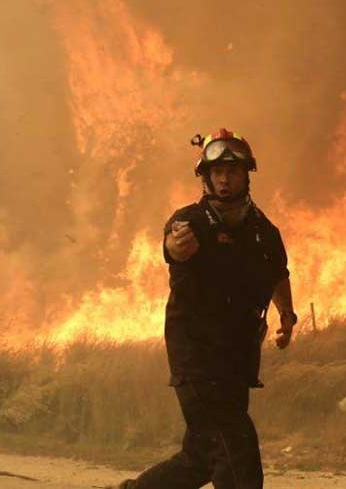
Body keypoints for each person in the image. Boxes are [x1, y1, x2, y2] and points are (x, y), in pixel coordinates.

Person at [114, 128, 297, 489]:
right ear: (207, 178)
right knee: (237, 453)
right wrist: (173, 245)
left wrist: (287, 315)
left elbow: (278, 272)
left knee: (199, 460)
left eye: (232, 172)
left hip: (235, 361)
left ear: (246, 176)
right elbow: (173, 246)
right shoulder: (190, 222)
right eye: (217, 173)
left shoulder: (263, 230)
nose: (224, 180)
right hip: (198, 358)